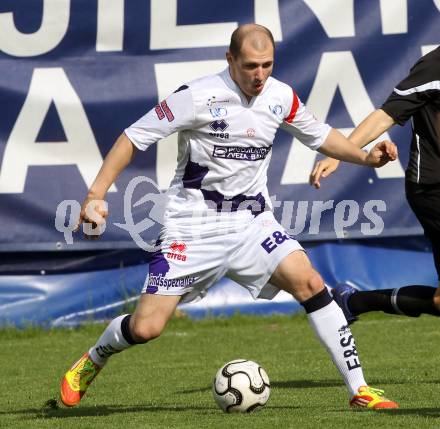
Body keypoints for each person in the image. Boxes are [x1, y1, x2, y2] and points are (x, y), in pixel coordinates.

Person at [60, 24, 399, 410]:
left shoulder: (280, 96)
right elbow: (133, 137)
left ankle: (360, 389)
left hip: (252, 222)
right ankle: (95, 357)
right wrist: (95, 194)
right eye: (251, 66)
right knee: (145, 327)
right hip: (193, 226)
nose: (259, 75)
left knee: (310, 281)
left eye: (267, 65)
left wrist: (366, 156)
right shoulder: (196, 96)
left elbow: (321, 135)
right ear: (230, 59)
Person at [310, 47, 440, 324]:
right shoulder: (434, 66)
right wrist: (339, 154)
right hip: (433, 189)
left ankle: (352, 302)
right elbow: (385, 115)